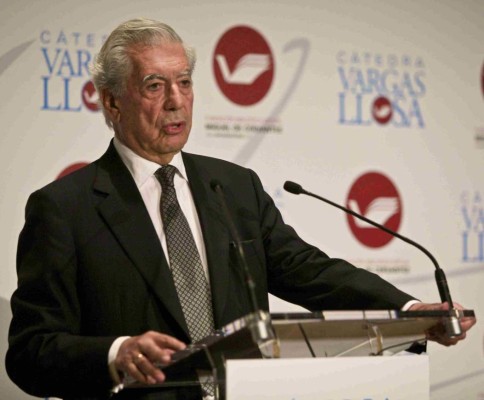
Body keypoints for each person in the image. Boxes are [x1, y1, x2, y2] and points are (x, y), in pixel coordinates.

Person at [5, 17, 475, 400]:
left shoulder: (231, 186)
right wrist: (115, 353)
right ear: (111, 101)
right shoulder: (66, 209)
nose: (176, 101)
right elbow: (30, 353)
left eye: (184, 83)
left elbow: (308, 271)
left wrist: (409, 310)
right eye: (154, 86)